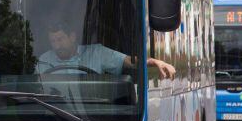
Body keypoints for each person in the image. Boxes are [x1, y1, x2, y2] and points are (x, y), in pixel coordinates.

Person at [37, 18, 176, 79]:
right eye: (53, 41)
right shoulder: (43, 60)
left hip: (95, 115)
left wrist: (155, 62)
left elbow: (129, 61)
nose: (57, 45)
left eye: (60, 39)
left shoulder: (97, 53)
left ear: (72, 37)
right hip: (54, 115)